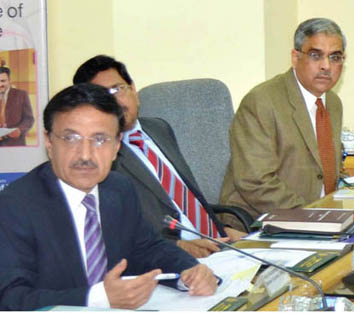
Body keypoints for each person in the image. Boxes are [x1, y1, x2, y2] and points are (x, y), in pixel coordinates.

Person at [0, 83, 217, 310]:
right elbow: (10, 299)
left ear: (116, 146)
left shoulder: (119, 189)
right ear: (49, 142)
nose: (85, 154)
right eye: (71, 138)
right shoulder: (14, 206)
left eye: (100, 140)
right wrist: (98, 298)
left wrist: (189, 271)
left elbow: (148, 248)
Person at [73, 55, 243, 258]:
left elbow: (186, 198)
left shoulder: (158, 128)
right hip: (175, 258)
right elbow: (118, 233)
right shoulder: (98, 158)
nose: (114, 102)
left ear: (133, 89)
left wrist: (221, 230)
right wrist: (179, 246)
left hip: (220, 243)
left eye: (118, 89)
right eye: (101, 96)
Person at [220, 18, 345, 220]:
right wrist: (313, 217)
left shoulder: (333, 103)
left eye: (335, 57)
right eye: (316, 55)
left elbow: (326, 170)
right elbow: (255, 182)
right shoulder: (262, 101)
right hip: (260, 221)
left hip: (316, 217)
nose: (326, 66)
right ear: (295, 58)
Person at [0, 65, 34, 147]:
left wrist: (20, 130)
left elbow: (29, 119)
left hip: (15, 143)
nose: (0, 84)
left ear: (9, 80)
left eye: (3, 81)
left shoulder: (21, 95)